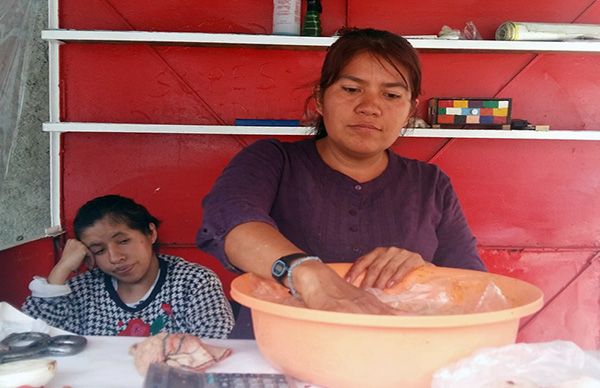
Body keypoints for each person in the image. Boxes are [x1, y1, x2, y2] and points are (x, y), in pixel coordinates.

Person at [197, 27, 486, 338]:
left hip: (396, 356)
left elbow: (472, 287)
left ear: (409, 111)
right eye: (351, 89)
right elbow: (230, 221)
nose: (370, 106)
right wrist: (305, 273)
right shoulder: (273, 160)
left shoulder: (431, 185)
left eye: (390, 95)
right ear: (321, 99)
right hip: (277, 351)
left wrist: (424, 273)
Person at [22, 195, 234, 338]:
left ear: (150, 233)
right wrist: (60, 271)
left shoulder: (194, 282)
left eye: (123, 241)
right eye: (99, 250)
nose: (115, 258)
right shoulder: (81, 290)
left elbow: (219, 346)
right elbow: (31, 339)